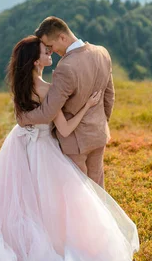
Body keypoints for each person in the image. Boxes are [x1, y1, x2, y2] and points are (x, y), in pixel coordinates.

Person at [0, 35, 139, 261]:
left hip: (19, 146)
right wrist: (86, 106)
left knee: (27, 203)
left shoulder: (22, 86)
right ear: (37, 60)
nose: (50, 54)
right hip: (42, 151)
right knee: (58, 205)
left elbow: (27, 120)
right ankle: (63, 259)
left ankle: (29, 248)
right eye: (45, 52)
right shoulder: (48, 89)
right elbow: (63, 128)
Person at [17, 16, 115, 188]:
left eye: (51, 46)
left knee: (79, 193)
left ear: (62, 37)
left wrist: (23, 118)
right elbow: (109, 96)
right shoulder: (102, 52)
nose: (51, 51)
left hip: (75, 141)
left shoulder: (65, 68)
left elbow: (48, 111)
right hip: (98, 134)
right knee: (98, 189)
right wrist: (101, 122)